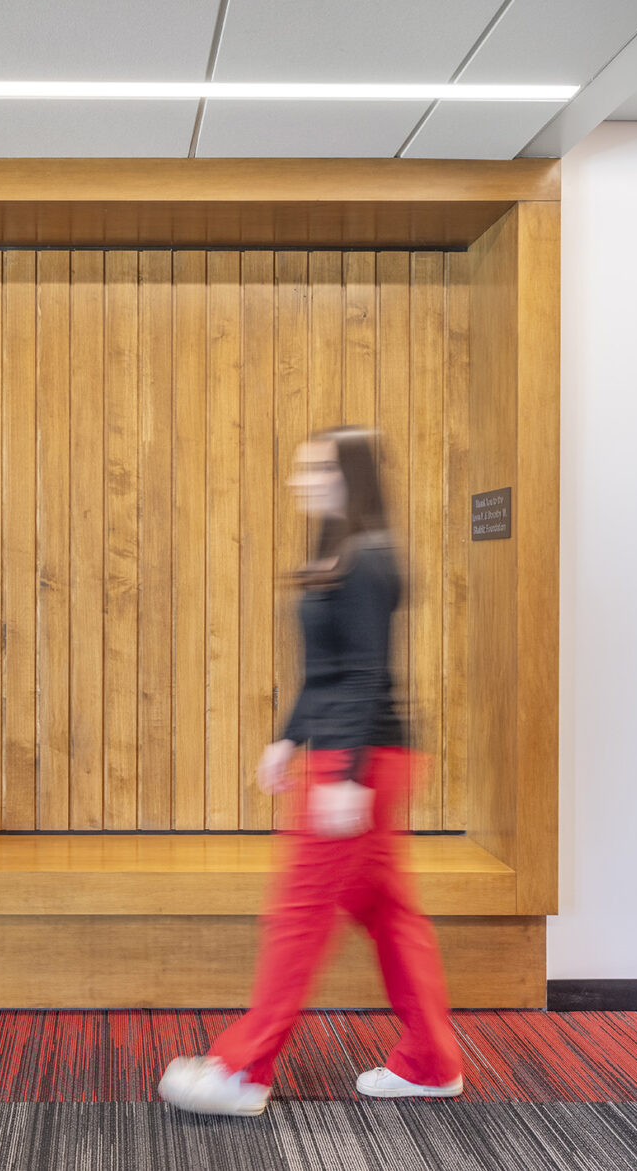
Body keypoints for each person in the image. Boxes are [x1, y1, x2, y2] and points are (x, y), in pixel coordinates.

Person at [159, 427, 463, 1116]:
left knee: (297, 914)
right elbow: (320, 670)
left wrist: (347, 777)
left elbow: (362, 675)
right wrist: (285, 738)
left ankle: (242, 1070)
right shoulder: (338, 552)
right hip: (348, 751)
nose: (300, 478)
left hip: (357, 758)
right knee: (389, 915)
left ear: (349, 475)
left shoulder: (367, 560)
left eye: (314, 468)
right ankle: (432, 1061)